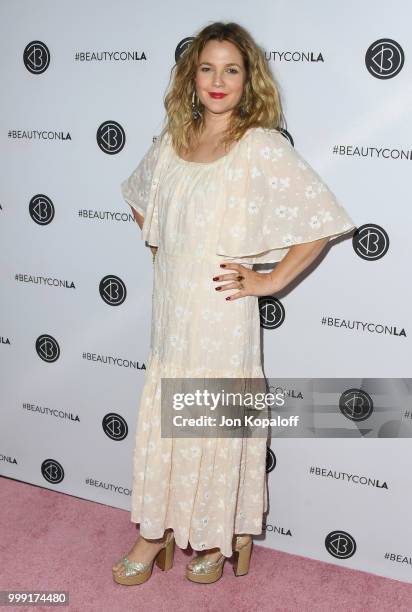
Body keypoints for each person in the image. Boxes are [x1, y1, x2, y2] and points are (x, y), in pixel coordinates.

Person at [113, 21, 356, 585]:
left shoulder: (260, 146)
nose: (217, 80)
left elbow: (321, 223)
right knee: (170, 414)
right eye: (207, 68)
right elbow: (138, 196)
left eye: (231, 69)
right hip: (173, 314)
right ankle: (155, 530)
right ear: (190, 76)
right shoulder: (171, 142)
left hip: (223, 316)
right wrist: (166, 247)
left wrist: (268, 281)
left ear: (249, 80)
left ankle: (220, 533)